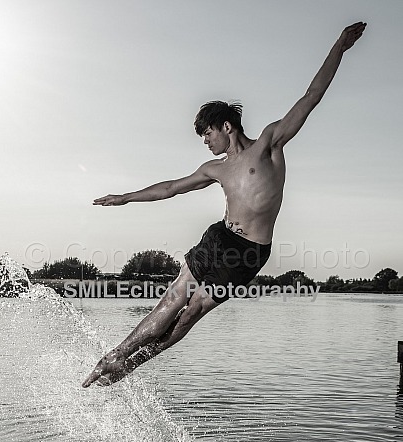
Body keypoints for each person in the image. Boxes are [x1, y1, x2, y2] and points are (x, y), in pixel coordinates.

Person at [82, 22, 366, 388]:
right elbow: (171, 188)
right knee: (174, 297)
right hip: (218, 236)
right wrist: (126, 197)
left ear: (226, 126)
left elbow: (311, 96)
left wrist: (340, 47)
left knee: (190, 314)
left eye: (208, 133)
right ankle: (116, 355)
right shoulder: (214, 168)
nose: (205, 141)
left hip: (247, 252)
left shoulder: (268, 145)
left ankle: (132, 363)